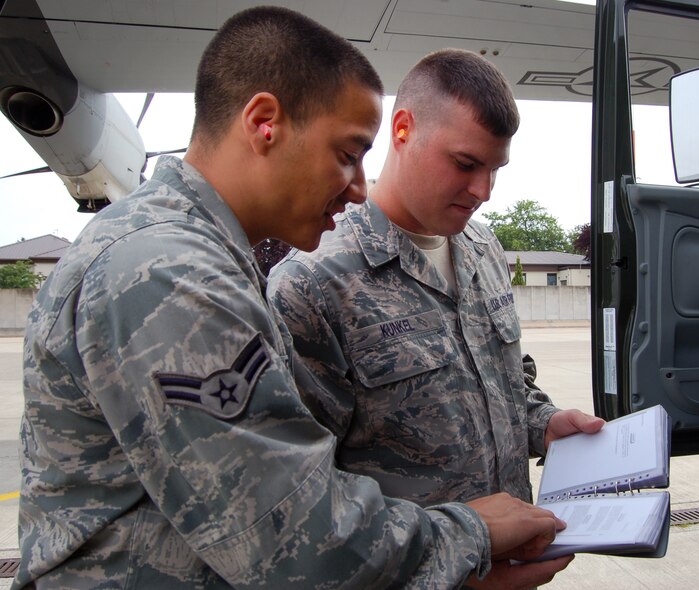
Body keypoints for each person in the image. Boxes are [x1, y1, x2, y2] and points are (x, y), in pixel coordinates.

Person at [14, 9, 571, 589]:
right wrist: (471, 538)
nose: (358, 187)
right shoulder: (170, 274)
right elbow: (296, 543)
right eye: (347, 153)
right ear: (264, 123)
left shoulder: (200, 257)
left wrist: (542, 424)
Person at [266, 48, 604, 583]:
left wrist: (545, 423)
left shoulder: (482, 247)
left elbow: (506, 380)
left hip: (517, 564)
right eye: (466, 164)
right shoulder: (314, 283)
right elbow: (303, 499)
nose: (483, 193)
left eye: (495, 170)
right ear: (402, 129)